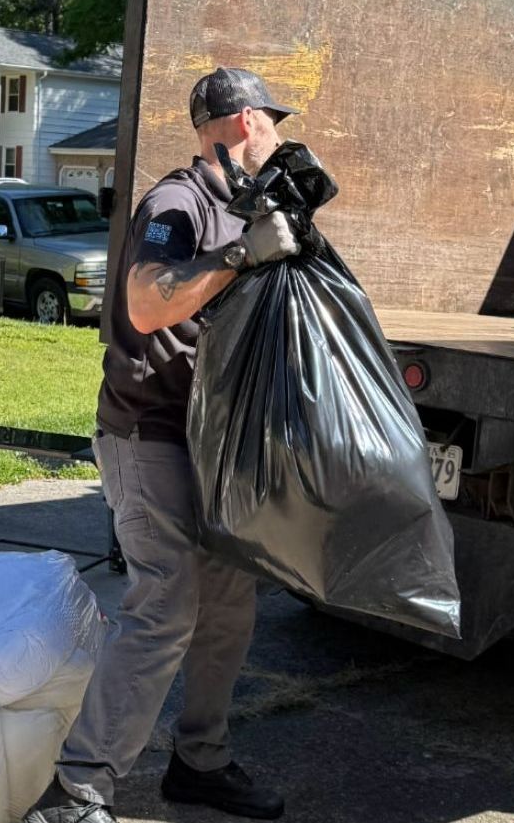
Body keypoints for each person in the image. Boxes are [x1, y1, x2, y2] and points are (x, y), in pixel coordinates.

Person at [25, 67, 300, 823]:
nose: (278, 136)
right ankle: (75, 789)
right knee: (166, 604)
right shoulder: (176, 204)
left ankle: (200, 762)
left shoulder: (240, 206)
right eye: (273, 123)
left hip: (210, 445)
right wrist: (242, 254)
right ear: (246, 122)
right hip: (148, 438)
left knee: (230, 603)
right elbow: (146, 303)